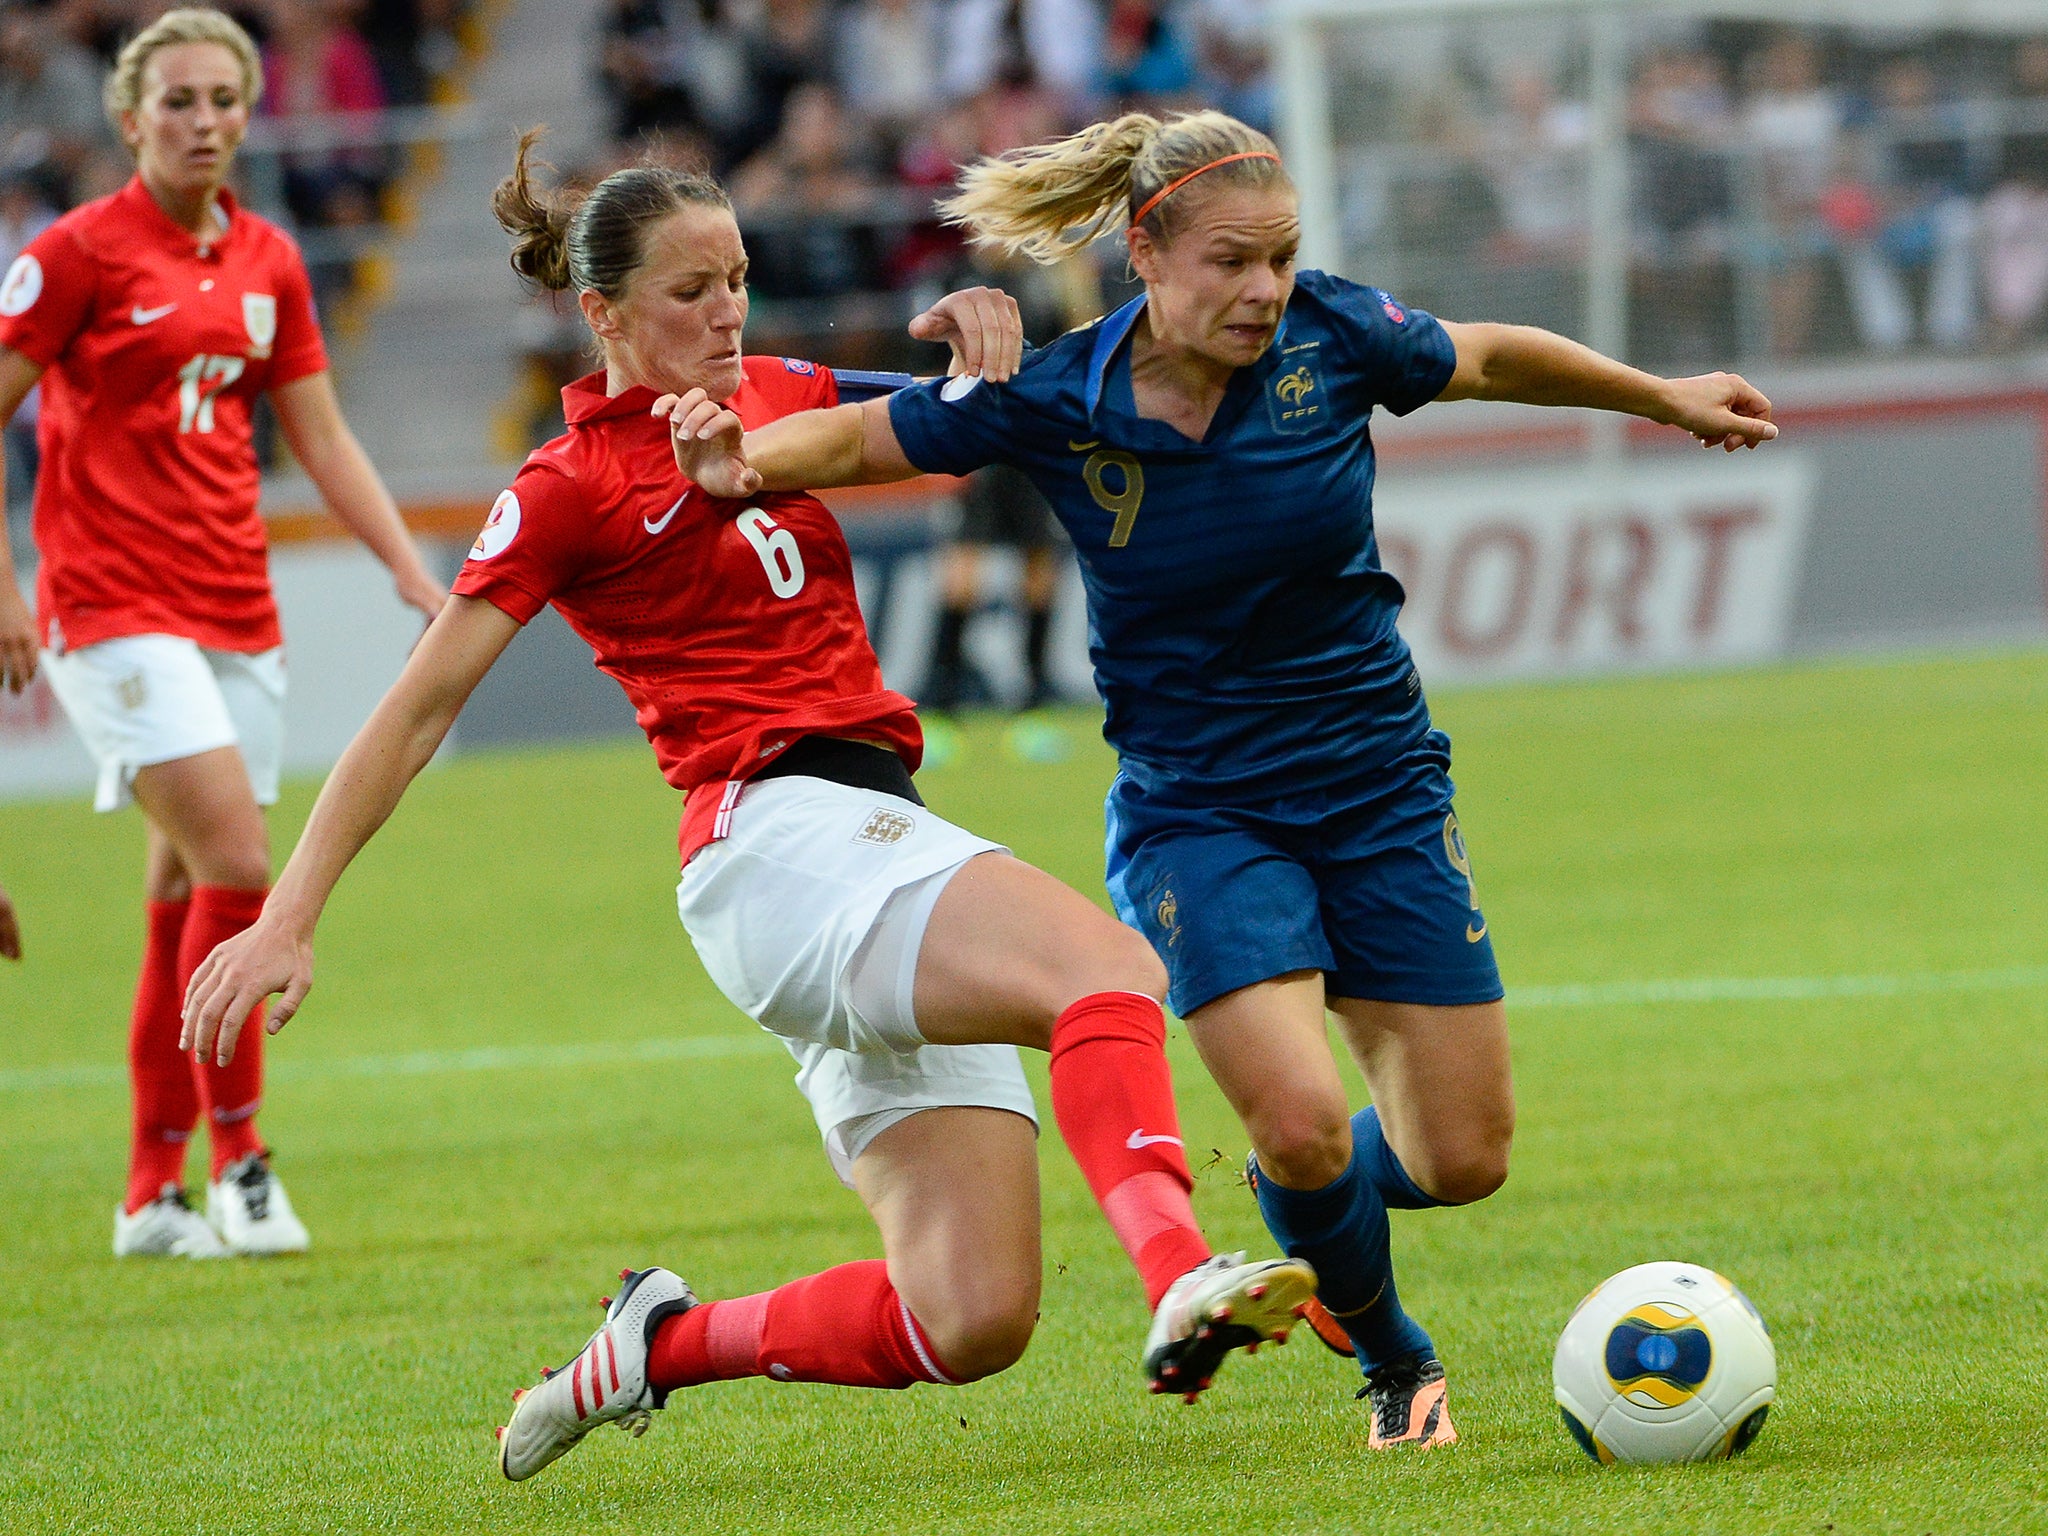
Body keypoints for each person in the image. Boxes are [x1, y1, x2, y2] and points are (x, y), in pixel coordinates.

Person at [180, 132, 1314, 1484]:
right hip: (775, 845)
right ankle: (1181, 1273)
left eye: (736, 280)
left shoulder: (779, 389)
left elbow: (972, 417)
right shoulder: (565, 489)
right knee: (1104, 970)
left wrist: (978, 339)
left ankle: (654, 1345)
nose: (725, 312)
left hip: (871, 843)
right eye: (687, 292)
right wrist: (288, 919)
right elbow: (415, 710)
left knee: (971, 1317)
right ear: (600, 315)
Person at [659, 107, 1779, 1450]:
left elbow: (1484, 356)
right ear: (1148, 252)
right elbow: (860, 443)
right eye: (1231, 263)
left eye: (1281, 258)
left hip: (1380, 788)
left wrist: (1661, 396)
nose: (1262, 290)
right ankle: (1393, 1357)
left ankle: (1300, 1197)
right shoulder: (1059, 398)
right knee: (1308, 1124)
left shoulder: (1335, 333)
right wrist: (742, 467)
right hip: (1201, 814)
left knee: (1464, 1158)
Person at [0, 8, 446, 1261]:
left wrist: (411, 572)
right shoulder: (76, 255)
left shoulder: (267, 258)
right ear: (130, 117)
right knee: (243, 865)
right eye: (179, 102)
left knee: (184, 895)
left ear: (250, 112)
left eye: (223, 101)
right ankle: (244, 1163)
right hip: (106, 608)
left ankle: (150, 1195)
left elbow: (320, 436)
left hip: (235, 608)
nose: (204, 123)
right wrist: (3, 583)